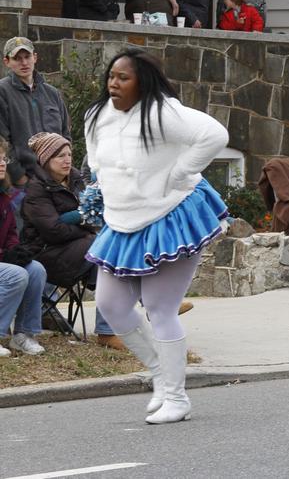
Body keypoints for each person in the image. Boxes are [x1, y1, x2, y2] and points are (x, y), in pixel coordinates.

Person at [85, 49, 229, 424]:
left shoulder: (163, 113)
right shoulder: (96, 115)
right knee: (111, 304)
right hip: (122, 222)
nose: (113, 84)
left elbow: (214, 135)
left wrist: (180, 172)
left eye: (123, 78)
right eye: (111, 76)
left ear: (143, 82)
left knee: (160, 307)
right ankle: (161, 377)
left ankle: (177, 398)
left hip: (170, 217)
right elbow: (97, 161)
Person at [19, 132, 120, 348]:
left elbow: (94, 214)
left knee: (110, 257)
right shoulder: (37, 188)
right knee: (105, 246)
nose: (67, 160)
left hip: (77, 250)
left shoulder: (74, 179)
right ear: (45, 160)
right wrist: (83, 224)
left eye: (69, 154)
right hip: (46, 255)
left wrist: (78, 219)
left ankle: (109, 330)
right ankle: (151, 307)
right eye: (59, 156)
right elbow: (53, 231)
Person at [0, 37, 71, 187]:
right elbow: (2, 142)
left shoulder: (53, 93)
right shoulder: (3, 92)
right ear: (6, 61)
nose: (24, 63)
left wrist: (63, 173)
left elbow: (66, 135)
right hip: (24, 184)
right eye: (17, 58)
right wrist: (20, 177)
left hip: (56, 181)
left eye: (27, 57)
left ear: (35, 57)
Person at [0, 138, 46, 357]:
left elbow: (10, 235)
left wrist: (16, 251)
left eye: (3, 158)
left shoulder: (4, 196)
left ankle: (23, 335)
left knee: (35, 269)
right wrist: (6, 256)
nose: (2, 163)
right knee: (16, 275)